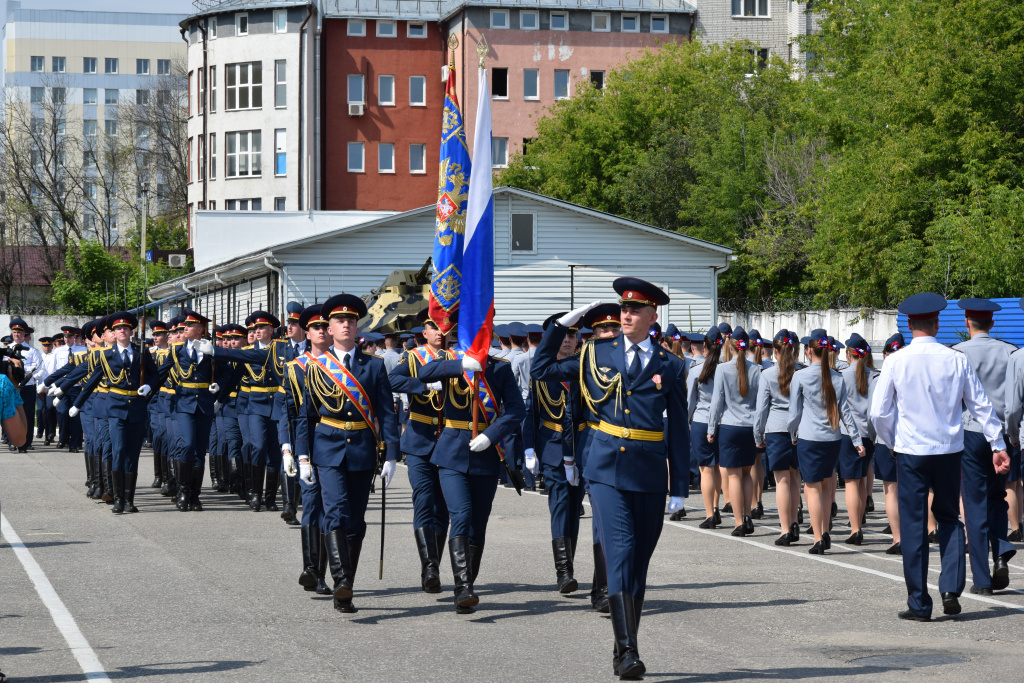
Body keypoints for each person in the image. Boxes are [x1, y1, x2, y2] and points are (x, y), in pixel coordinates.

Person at [533, 278, 688, 680]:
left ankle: (625, 645)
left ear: (654, 316)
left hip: (650, 472)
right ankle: (626, 651)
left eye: (636, 310)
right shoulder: (594, 352)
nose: (627, 314)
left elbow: (679, 431)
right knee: (618, 552)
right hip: (604, 470)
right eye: (624, 308)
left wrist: (680, 488)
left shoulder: (670, 364)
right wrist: (562, 327)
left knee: (639, 563)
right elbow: (542, 369)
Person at [870, 292, 1009, 621]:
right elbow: (980, 405)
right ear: (936, 323)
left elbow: (878, 413)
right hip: (948, 451)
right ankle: (951, 588)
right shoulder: (955, 359)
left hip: (910, 452)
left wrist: (891, 440)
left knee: (915, 524)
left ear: (908, 324)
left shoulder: (895, 360)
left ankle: (919, 603)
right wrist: (997, 444)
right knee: (948, 517)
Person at [293, 293, 401, 614]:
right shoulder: (316, 366)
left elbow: (386, 412)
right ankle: (342, 583)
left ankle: (346, 583)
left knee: (356, 521)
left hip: (363, 451)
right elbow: (305, 416)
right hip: (327, 449)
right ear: (330, 326)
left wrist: (392, 453)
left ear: (357, 328)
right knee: (336, 513)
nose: (345, 325)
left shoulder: (374, 366)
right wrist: (301, 456)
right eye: (340, 320)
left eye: (351, 321)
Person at [413, 326, 525, 614]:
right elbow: (424, 373)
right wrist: (459, 364)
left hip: (485, 451)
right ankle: (462, 587)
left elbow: (516, 409)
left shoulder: (500, 368)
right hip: (451, 452)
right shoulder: (449, 361)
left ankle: (468, 585)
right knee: (460, 514)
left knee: (478, 523)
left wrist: (493, 434)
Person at [950, 298, 1017, 595]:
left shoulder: (956, 353)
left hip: (971, 432)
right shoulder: (1011, 352)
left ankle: (982, 579)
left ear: (967, 323)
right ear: (992, 323)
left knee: (974, 505)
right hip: (1003, 433)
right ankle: (1001, 550)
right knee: (997, 496)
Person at [387, 308, 453, 594]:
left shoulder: (457, 358)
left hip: (449, 438)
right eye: (433, 328)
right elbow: (393, 380)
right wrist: (424, 386)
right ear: (424, 333)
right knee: (423, 499)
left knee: (444, 506)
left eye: (443, 328)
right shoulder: (413, 357)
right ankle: (430, 566)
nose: (440, 332)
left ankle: (434, 561)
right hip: (420, 438)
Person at [71, 312, 161, 514]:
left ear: (131, 331)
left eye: (126, 328)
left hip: (137, 408)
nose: (122, 331)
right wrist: (78, 403)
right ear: (114, 332)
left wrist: (149, 387)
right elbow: (93, 378)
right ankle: (118, 499)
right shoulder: (106, 355)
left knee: (132, 454)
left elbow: (156, 375)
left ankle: (129, 499)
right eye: (118, 329)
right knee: (119, 450)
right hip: (115, 408)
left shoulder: (141, 353)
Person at [524, 312, 585, 594]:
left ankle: (569, 562)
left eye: (572, 335)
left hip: (583, 447)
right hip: (552, 448)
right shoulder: (541, 372)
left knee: (574, 508)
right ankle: (564, 572)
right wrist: (528, 448)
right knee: (560, 504)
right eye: (562, 336)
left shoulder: (587, 369)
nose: (568, 340)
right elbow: (531, 413)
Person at [789, 331, 863, 554]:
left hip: (810, 438)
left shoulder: (801, 376)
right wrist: (857, 439)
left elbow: (794, 412)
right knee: (824, 486)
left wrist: (792, 434)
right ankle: (825, 532)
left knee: (811, 488)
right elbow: (845, 413)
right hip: (833, 438)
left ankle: (819, 537)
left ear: (809, 351)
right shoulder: (837, 377)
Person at [280, 308, 332, 596]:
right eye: (315, 328)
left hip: (340, 445)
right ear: (307, 333)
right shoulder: (295, 367)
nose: (322, 331)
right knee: (312, 504)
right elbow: (288, 411)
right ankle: (313, 570)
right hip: (308, 444)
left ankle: (331, 570)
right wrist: (288, 447)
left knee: (333, 509)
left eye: (326, 326)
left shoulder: (347, 366)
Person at [153, 309, 221, 512]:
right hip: (183, 403)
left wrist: (219, 389)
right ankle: (183, 492)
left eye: (189, 326)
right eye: (184, 327)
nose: (185, 329)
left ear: (200, 330)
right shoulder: (177, 351)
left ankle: (195, 495)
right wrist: (147, 388)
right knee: (187, 445)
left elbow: (226, 373)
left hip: (205, 404)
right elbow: (160, 373)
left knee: (200, 451)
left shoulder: (211, 350)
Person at [707, 327, 761, 536]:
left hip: (730, 426)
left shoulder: (722, 369)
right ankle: (747, 514)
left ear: (729, 347)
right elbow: (760, 403)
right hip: (750, 426)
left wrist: (711, 429)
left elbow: (717, 402)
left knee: (734, 476)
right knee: (747, 474)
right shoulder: (757, 369)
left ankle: (739, 521)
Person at [754, 330, 802, 546]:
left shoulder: (767, 375)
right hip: (800, 430)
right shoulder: (803, 372)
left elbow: (761, 409)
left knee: (781, 480)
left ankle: (785, 528)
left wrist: (758, 433)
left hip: (776, 429)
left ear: (775, 351)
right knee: (795, 478)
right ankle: (794, 521)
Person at [838, 334, 879, 545]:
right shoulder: (874, 375)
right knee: (862, 480)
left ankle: (855, 529)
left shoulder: (842, 376)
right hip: (870, 434)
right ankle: (859, 521)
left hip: (849, 435)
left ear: (848, 354)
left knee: (851, 483)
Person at [688, 329, 723, 529]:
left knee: (706, 470)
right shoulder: (727, 369)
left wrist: (685, 422)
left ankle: (710, 513)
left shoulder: (696, 369)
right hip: (722, 422)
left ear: (704, 347)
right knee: (717, 467)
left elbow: (689, 402)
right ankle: (716, 507)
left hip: (701, 421)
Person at [9, 318, 42, 452]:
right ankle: (13, 441)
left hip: (27, 387)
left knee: (27, 415)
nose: (17, 335)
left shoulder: (33, 351)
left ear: (24, 334)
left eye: (19, 333)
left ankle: (25, 443)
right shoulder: (6, 350)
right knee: (11, 415)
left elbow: (40, 369)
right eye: (14, 332)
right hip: (11, 387)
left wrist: (28, 374)